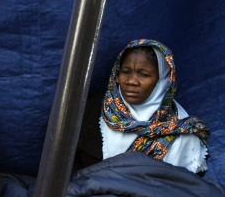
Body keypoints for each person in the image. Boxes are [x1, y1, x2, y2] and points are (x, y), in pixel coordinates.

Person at [75, 39, 210, 174]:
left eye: (143, 74)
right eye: (126, 71)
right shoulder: (91, 109)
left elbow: (185, 189)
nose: (131, 81)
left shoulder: (183, 133)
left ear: (162, 80)